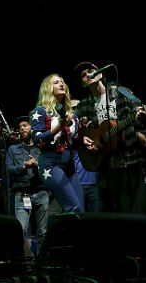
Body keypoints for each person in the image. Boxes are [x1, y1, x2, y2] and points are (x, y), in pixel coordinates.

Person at [73, 61, 146, 214]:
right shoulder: (83, 107)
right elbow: (76, 136)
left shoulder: (122, 93)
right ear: (82, 83)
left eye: (91, 71)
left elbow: (143, 125)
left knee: (137, 215)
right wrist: (84, 141)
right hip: (105, 170)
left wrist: (143, 114)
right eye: (83, 75)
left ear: (100, 74)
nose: (88, 75)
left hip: (131, 164)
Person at [30, 74, 85, 213]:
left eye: (62, 81)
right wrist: (59, 127)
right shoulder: (40, 112)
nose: (61, 84)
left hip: (70, 164)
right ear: (48, 88)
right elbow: (37, 140)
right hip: (50, 162)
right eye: (56, 82)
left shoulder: (73, 115)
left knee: (81, 210)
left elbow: (75, 144)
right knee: (73, 208)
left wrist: (83, 133)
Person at [5, 115, 49, 255]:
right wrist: (23, 167)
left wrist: (37, 165)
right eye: (20, 127)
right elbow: (8, 169)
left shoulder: (41, 147)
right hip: (22, 193)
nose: (22, 128)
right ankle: (26, 262)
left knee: (43, 231)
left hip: (41, 192)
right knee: (21, 229)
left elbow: (49, 167)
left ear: (32, 128)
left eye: (25, 125)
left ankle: (41, 263)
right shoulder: (13, 149)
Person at [71, 99, 100, 212]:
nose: (76, 113)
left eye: (77, 109)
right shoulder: (69, 135)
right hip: (75, 185)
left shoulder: (94, 129)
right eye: (72, 109)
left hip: (94, 184)